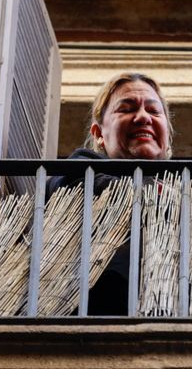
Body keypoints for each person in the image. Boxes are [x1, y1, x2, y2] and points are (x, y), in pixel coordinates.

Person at [46, 72, 172, 315]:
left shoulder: (180, 195)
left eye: (154, 111)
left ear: (167, 137)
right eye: (126, 109)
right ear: (98, 134)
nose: (143, 117)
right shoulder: (79, 172)